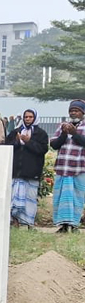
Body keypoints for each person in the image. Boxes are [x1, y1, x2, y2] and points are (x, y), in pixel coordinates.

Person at [6, 109, 49, 228]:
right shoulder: (15, 132)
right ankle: (14, 222)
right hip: (16, 172)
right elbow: (7, 147)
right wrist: (17, 142)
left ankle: (27, 223)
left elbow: (42, 150)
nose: (28, 119)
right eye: (26, 117)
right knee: (13, 200)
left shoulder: (40, 134)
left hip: (32, 173)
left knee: (29, 199)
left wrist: (28, 142)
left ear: (35, 118)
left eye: (30, 117)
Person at [50, 99, 85, 233]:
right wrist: (64, 133)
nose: (73, 113)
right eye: (71, 111)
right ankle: (63, 225)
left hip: (78, 169)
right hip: (62, 168)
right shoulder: (62, 126)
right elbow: (54, 145)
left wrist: (74, 133)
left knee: (76, 197)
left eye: (76, 111)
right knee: (61, 197)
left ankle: (74, 225)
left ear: (83, 112)